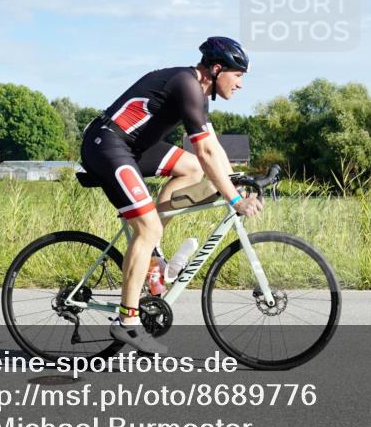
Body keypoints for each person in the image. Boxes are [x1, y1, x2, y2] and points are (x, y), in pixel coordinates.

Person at [80, 37, 263, 354]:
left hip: (134, 149)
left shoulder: (199, 93)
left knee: (191, 169)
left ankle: (151, 256)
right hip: (108, 145)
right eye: (238, 74)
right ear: (217, 69)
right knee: (147, 227)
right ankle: (127, 322)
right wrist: (234, 199)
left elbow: (212, 148)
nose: (241, 84)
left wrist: (239, 178)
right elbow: (206, 150)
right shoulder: (186, 84)